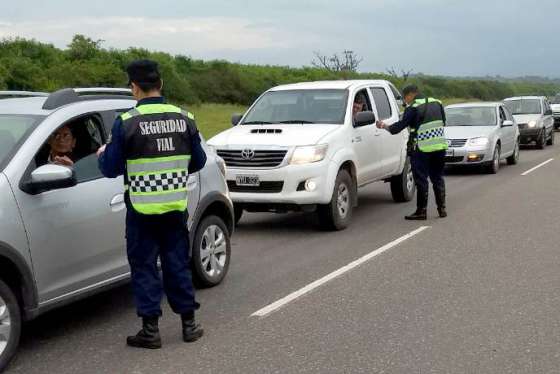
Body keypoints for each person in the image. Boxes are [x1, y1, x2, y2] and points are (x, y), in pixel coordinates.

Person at [97, 59, 207, 349]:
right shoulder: (185, 118)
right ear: (161, 85)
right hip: (174, 209)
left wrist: (102, 152)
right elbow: (199, 161)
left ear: (134, 87)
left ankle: (150, 330)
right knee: (177, 264)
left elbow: (109, 168)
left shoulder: (126, 122)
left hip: (142, 211)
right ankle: (189, 325)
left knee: (145, 267)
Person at [376, 85, 448, 220]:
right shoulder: (438, 103)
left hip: (422, 149)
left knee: (421, 180)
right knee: (437, 178)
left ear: (410, 95)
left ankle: (421, 211)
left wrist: (383, 126)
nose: (406, 101)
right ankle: (442, 209)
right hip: (439, 147)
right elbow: (443, 123)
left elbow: (397, 128)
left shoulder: (413, 107)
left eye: (405, 98)